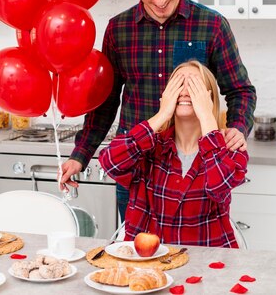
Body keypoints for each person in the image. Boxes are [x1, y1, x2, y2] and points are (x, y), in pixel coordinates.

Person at [59, 0, 256, 222]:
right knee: (135, 256)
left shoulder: (211, 25)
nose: (160, 0)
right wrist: (80, 155)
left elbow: (241, 90)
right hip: (135, 167)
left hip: (195, 170)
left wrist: (238, 127)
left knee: (194, 252)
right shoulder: (119, 30)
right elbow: (105, 103)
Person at [98, 60, 248, 247]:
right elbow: (110, 162)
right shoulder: (150, 145)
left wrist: (208, 117)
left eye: (194, 86)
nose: (184, 91)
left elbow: (219, 187)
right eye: (178, 84)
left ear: (208, 98)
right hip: (150, 265)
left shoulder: (230, 145)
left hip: (208, 265)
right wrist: (161, 115)